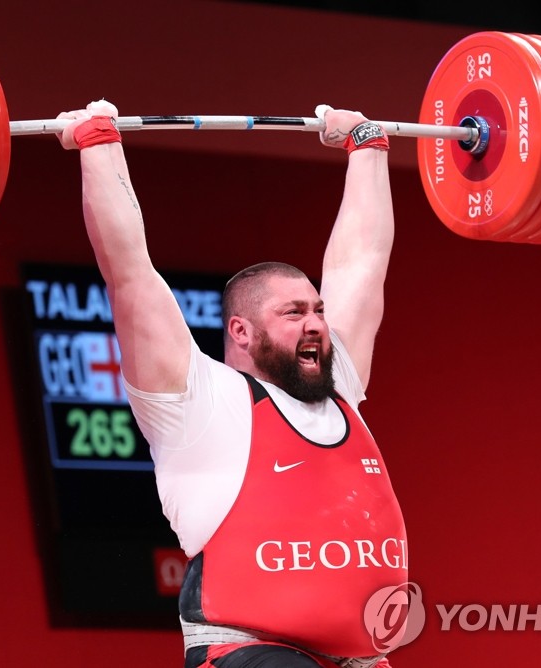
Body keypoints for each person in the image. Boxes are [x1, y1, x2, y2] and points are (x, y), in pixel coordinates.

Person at [57, 100, 407, 668]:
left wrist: (366, 145)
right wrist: (100, 147)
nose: (317, 322)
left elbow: (362, 261)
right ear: (241, 331)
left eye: (318, 310)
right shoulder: (198, 401)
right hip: (248, 654)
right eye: (294, 313)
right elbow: (128, 272)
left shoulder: (338, 379)